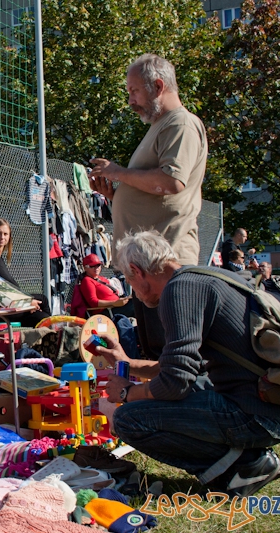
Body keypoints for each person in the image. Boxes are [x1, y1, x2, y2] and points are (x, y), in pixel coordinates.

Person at [96, 231, 280, 498]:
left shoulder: (178, 291)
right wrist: (128, 363)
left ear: (137, 270)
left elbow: (175, 383)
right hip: (277, 407)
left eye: (130, 281)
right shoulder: (202, 278)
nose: (133, 290)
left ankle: (241, 468)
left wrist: (126, 393)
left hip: (258, 415)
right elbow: (179, 367)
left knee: (128, 419)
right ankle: (245, 458)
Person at [88, 53, 208, 359]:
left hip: (164, 267)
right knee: (155, 353)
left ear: (158, 85)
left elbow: (171, 182)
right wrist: (116, 195)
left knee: (171, 358)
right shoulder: (161, 126)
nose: (130, 101)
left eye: (134, 91)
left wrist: (117, 172)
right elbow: (156, 195)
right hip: (148, 270)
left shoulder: (179, 123)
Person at [0, 218, 51, 327]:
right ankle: (52, 332)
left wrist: (27, 302)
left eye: (5, 234)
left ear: (9, 236)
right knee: (42, 307)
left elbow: (6, 286)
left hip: (4, 302)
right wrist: (27, 302)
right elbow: (9, 283)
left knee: (41, 311)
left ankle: (49, 331)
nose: (2, 237)